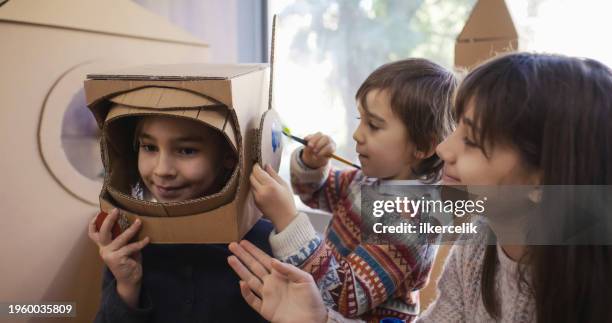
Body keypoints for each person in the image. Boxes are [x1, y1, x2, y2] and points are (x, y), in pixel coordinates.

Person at [228, 52, 612, 323]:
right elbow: (322, 192)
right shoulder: (475, 250)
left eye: (472, 140)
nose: (445, 149)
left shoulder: (418, 216)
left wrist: (288, 221)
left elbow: (347, 293)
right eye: (456, 128)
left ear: (543, 181)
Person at [246, 58, 457, 322]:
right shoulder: (369, 181)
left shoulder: (411, 222)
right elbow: (314, 193)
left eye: (374, 125)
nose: (357, 134)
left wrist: (288, 222)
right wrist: (312, 164)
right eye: (360, 120)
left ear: (423, 147)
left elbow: (345, 295)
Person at [89, 115, 272, 323]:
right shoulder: (130, 244)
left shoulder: (267, 246)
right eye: (149, 147)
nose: (162, 170)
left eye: (187, 150)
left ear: (230, 155)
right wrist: (127, 286)